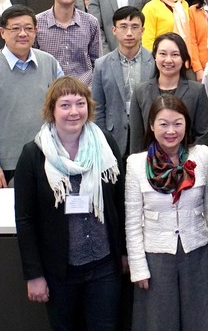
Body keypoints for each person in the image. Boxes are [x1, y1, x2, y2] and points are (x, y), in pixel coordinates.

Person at [15, 76, 124, 330]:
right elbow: (25, 220)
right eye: (65, 105)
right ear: (51, 110)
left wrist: (125, 253)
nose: (74, 112)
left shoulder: (105, 144)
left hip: (104, 266)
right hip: (59, 271)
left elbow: (120, 201)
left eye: (80, 103)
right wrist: (34, 275)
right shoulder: (33, 155)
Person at [125, 95, 208, 330]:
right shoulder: (136, 163)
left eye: (177, 123)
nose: (171, 131)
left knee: (199, 319)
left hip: (196, 250)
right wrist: (138, 268)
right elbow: (133, 222)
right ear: (151, 126)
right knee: (159, 321)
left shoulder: (202, 156)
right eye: (163, 124)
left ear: (186, 124)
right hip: (156, 255)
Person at [0, 5, 62, 187]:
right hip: (4, 166)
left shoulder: (50, 63)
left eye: (28, 28)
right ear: (2, 32)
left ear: (36, 31)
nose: (23, 33)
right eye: (15, 28)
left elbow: (64, 107)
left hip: (48, 159)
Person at [130, 33, 208, 153]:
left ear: (183, 58)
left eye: (175, 54)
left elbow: (202, 135)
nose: (168, 60)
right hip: (150, 164)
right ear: (155, 57)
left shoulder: (197, 91)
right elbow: (136, 138)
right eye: (163, 54)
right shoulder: (140, 91)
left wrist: (190, 163)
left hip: (188, 164)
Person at [92, 6, 155, 158]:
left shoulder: (154, 61)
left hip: (147, 134)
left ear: (142, 31)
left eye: (134, 27)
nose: (129, 33)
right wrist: (101, 139)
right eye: (123, 27)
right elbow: (97, 107)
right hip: (113, 135)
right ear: (114, 30)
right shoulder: (102, 64)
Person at [34, 0, 101, 86]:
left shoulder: (91, 23)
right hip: (48, 93)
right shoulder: (36, 23)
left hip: (84, 93)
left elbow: (97, 63)